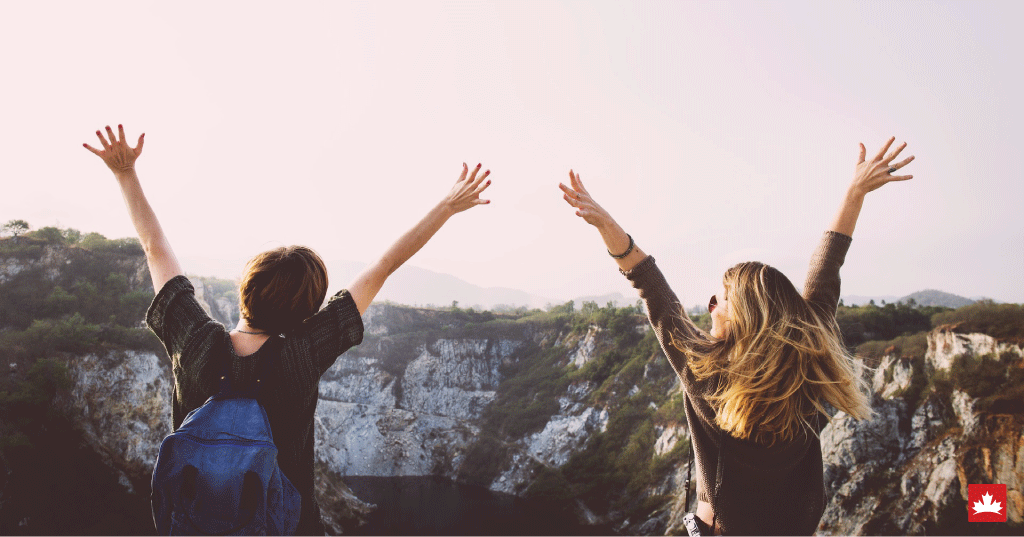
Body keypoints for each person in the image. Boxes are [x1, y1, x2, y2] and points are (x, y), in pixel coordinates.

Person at [84, 124, 493, 535]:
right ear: (308, 312)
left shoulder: (194, 342)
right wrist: (447, 206)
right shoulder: (304, 352)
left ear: (246, 289)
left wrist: (125, 174)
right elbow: (385, 265)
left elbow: (155, 247)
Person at [558, 138, 915, 535]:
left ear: (743, 315)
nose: (710, 305)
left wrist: (607, 225)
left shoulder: (705, 373)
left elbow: (651, 287)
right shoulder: (807, 360)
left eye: (719, 299)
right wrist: (855, 192)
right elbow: (827, 263)